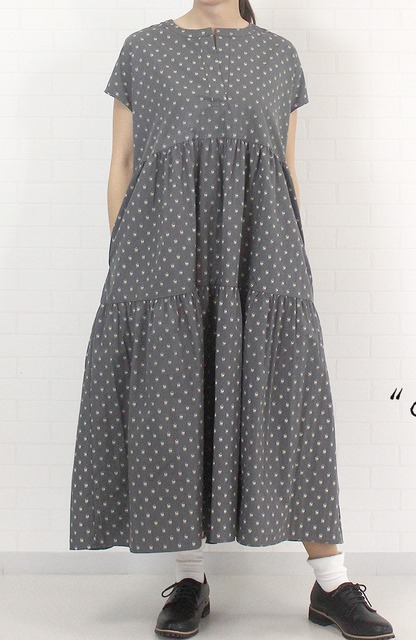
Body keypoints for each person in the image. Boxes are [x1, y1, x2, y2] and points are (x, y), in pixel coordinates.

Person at [69, 2, 394, 639]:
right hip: (158, 254)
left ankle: (332, 583)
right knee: (171, 404)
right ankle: (189, 578)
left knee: (289, 404)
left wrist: (292, 257)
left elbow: (284, 167)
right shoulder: (142, 49)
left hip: (262, 251)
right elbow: (122, 163)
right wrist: (125, 257)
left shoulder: (279, 55)